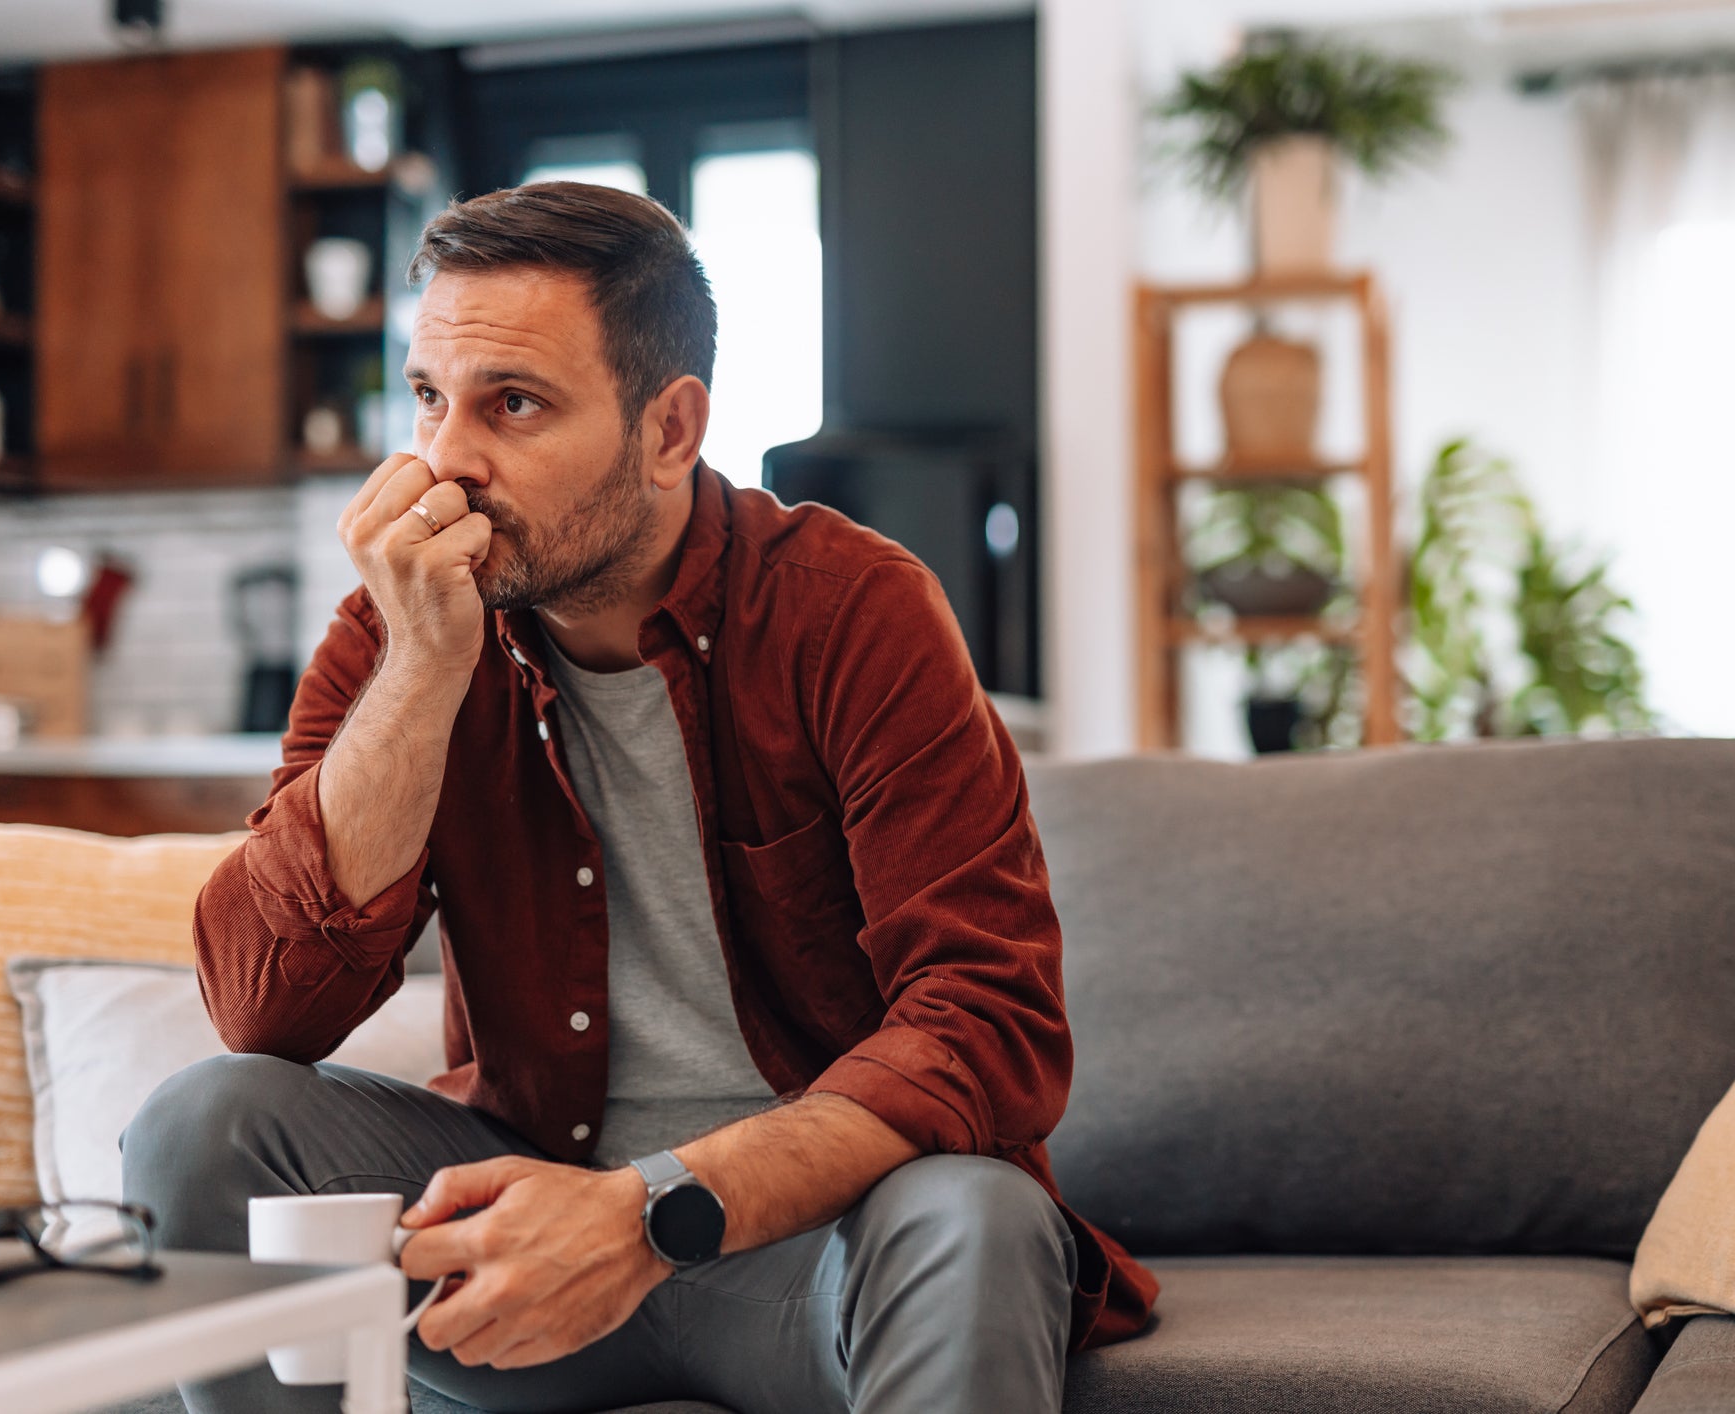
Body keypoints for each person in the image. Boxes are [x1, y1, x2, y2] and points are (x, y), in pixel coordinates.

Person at [122, 181, 1156, 1414]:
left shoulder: (852, 611)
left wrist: (649, 1210)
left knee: (978, 1210)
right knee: (205, 1123)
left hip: (811, 1249)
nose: (445, 460)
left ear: (670, 431)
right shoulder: (396, 632)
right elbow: (261, 1009)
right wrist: (418, 679)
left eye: (513, 404)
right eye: (427, 400)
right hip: (512, 1244)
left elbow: (987, 1023)